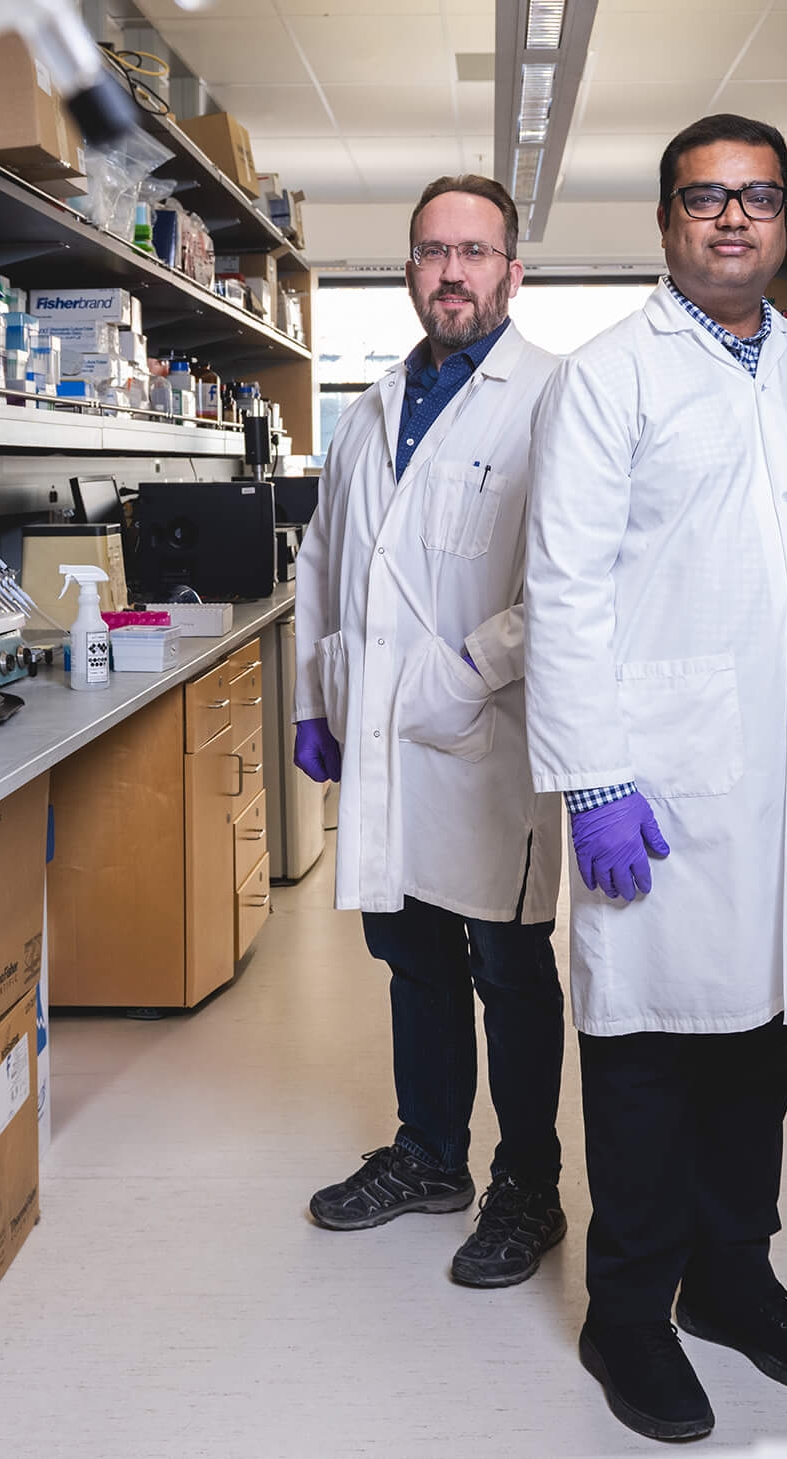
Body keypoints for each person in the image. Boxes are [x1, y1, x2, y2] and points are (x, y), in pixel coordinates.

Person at [524, 114, 787, 1441]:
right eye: (706, 198)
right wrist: (592, 778)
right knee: (643, 1050)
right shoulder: (607, 378)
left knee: (762, 1040)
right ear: (666, 222)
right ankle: (629, 1310)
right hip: (658, 773)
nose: (734, 218)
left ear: (785, 217)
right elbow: (564, 588)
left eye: (758, 196)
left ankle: (734, 1281)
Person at [291, 173, 571, 1289]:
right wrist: (314, 698)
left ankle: (530, 1184)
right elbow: (324, 559)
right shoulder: (368, 408)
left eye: (473, 251)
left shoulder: (551, 396)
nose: (451, 272)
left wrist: (466, 672)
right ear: (409, 269)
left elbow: (569, 581)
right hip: (380, 733)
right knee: (408, 951)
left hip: (489, 732)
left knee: (508, 963)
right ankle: (429, 1154)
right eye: (431, 252)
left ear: (513, 271)